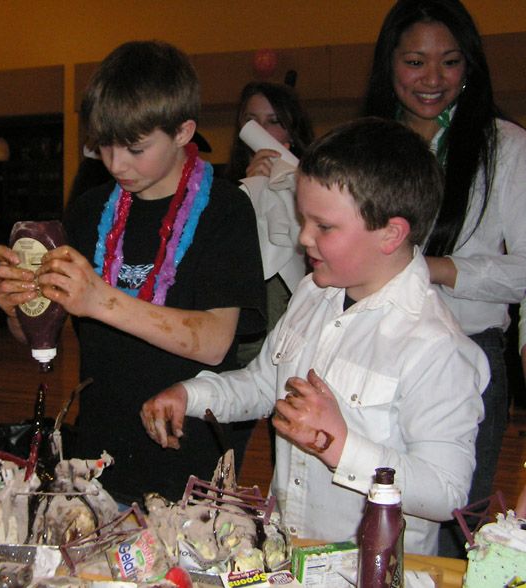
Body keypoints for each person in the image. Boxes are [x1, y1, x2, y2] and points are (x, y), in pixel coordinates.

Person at [141, 117, 489, 556]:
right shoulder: (314, 293)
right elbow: (267, 384)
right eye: (303, 218)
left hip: (371, 571)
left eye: (323, 226)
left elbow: (447, 491)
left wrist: (340, 446)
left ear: (391, 233)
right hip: (290, 555)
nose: (303, 236)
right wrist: (190, 395)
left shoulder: (437, 348)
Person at [0, 41, 266, 505]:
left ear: (184, 132)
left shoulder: (225, 208)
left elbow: (216, 339)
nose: (117, 164)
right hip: (98, 457)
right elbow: (41, 339)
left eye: (135, 148)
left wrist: (100, 299)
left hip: (188, 459)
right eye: (104, 146)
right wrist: (19, 308)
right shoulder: (87, 212)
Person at [363, 0, 526, 556]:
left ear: (470, 66)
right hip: (373, 354)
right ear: (390, 65)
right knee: (371, 515)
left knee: (458, 529)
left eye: (450, 62)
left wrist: (433, 268)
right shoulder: (369, 148)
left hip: (467, 359)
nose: (432, 79)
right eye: (414, 61)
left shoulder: (505, 147)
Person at [225, 82, 314, 367]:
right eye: (252, 121)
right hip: (249, 341)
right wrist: (253, 190)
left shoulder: (319, 184)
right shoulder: (224, 193)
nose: (261, 132)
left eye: (274, 122)